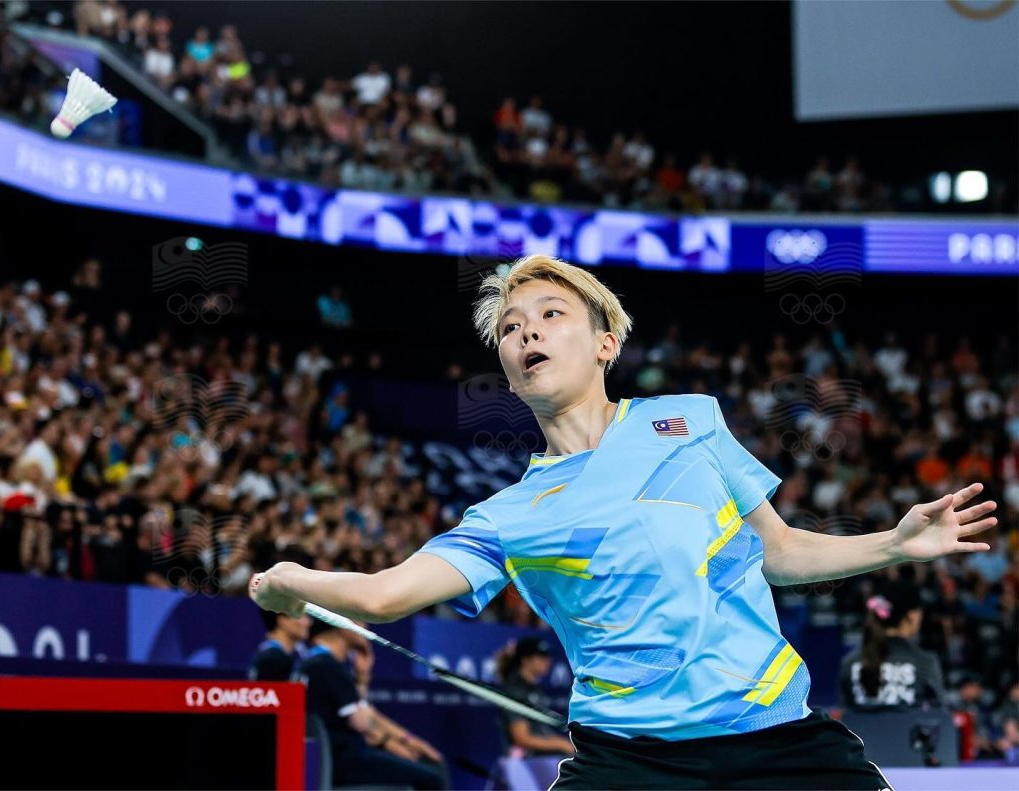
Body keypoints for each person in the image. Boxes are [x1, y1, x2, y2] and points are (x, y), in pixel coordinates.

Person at [250, 254, 998, 790]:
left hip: (776, 739)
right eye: (510, 327)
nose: (525, 332)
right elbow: (384, 595)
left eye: (549, 314)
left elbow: (781, 552)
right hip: (631, 761)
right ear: (508, 367)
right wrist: (292, 582)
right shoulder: (509, 515)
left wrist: (896, 544)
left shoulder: (690, 421)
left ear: (605, 343)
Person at [300, 618, 447, 789]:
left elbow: (360, 712)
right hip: (343, 760)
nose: (365, 627)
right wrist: (387, 742)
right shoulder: (327, 665)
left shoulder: (315, 662)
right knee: (432, 779)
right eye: (358, 621)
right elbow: (362, 721)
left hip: (335, 758)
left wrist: (362, 678)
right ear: (341, 625)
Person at [838, 580, 944, 708]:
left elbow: (844, 719)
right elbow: (940, 716)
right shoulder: (925, 663)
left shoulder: (850, 664)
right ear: (912, 615)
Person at [496, 636, 575, 757]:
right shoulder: (515, 690)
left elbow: (541, 731)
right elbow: (521, 738)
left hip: (543, 760)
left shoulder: (534, 689)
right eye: (541, 657)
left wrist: (562, 743)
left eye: (547, 657)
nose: (547, 661)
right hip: (525, 764)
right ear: (525, 660)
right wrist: (560, 744)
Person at [248, 609, 310, 681]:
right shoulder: (274, 659)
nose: (308, 622)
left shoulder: (270, 654)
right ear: (282, 620)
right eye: (302, 616)